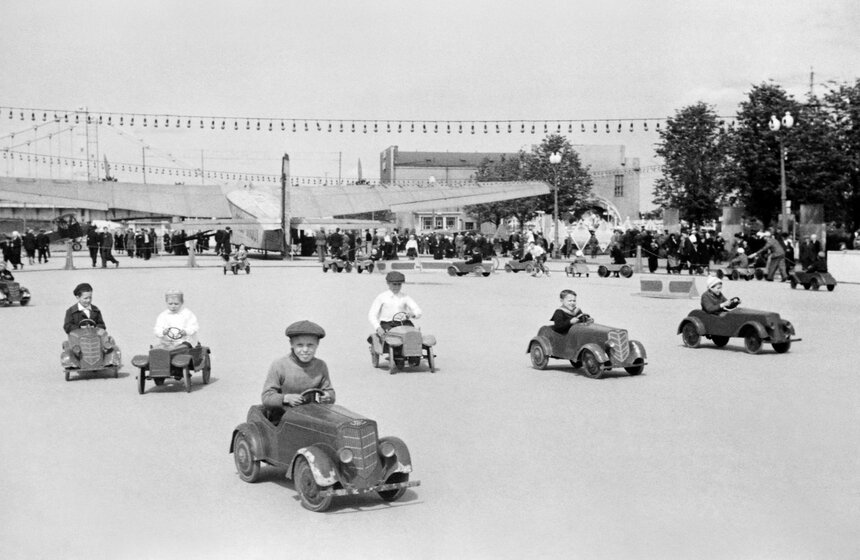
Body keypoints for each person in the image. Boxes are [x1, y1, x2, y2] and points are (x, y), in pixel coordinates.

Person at [261, 320, 335, 411]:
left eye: (310, 345)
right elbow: (267, 396)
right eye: (300, 345)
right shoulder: (280, 365)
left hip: (311, 414)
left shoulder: (320, 366)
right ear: (291, 344)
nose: (305, 350)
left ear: (317, 344)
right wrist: (286, 398)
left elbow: (330, 392)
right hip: (283, 416)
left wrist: (327, 396)